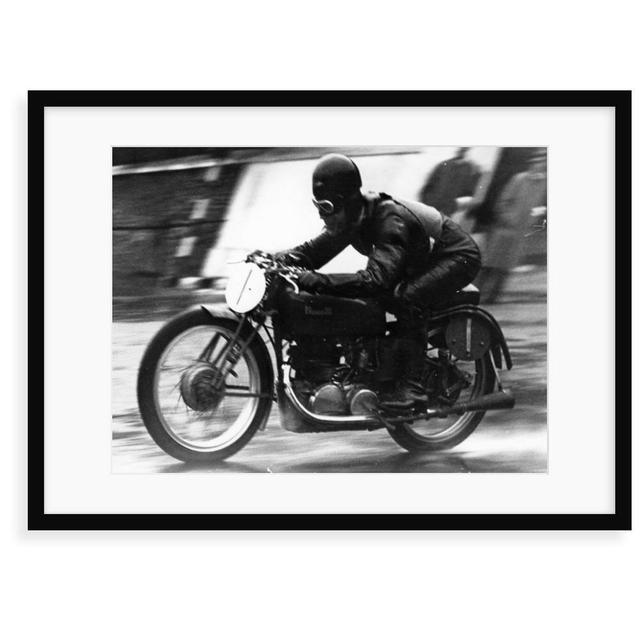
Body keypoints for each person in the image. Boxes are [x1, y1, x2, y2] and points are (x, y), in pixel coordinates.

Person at [276, 153, 481, 409]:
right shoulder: (351, 219)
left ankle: (412, 386)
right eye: (318, 207)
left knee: (404, 297)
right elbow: (310, 253)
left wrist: (318, 281)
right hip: (418, 260)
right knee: (371, 305)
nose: (322, 216)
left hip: (456, 255)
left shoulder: (389, 219)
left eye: (327, 208)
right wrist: (274, 260)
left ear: (347, 202)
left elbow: (376, 280)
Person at [477, 150, 547, 303]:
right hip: (504, 228)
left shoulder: (544, 184)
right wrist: (507, 219)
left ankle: (493, 297)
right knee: (490, 264)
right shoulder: (519, 179)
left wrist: (532, 223)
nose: (539, 165)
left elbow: (541, 207)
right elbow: (503, 201)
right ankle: (476, 295)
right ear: (532, 163)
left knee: (506, 266)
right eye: (536, 161)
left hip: (521, 232)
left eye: (542, 162)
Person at [418, 147, 481, 217]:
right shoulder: (444, 165)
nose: (461, 150)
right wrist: (425, 200)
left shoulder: (472, 170)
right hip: (430, 205)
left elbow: (469, 193)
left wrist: (453, 207)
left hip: (446, 210)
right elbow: (429, 184)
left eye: (465, 149)